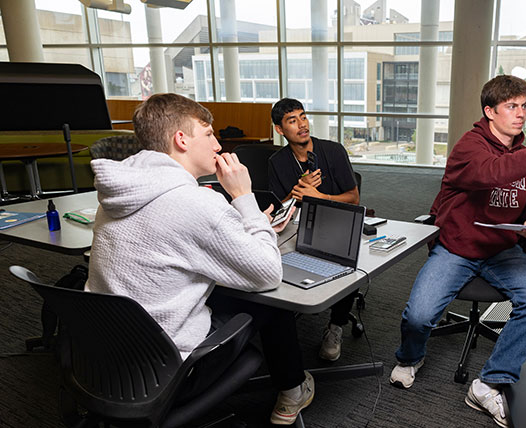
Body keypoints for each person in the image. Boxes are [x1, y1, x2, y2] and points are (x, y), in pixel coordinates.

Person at [86, 93, 313, 426]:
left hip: (105, 360)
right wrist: (244, 198)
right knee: (272, 303)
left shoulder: (119, 192)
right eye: (208, 134)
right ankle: (293, 390)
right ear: (182, 140)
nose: (218, 145)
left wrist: (235, 222)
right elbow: (268, 272)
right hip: (167, 371)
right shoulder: (197, 205)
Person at [389, 75, 526, 427]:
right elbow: (494, 173)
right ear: (490, 112)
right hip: (458, 247)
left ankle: (488, 383)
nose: (521, 114)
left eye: (524, 106)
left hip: (502, 250)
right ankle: (411, 357)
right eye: (511, 107)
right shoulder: (469, 147)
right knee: (419, 316)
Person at [267, 98, 361, 363]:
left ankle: (336, 326)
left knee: (346, 265)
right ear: (280, 129)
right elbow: (278, 207)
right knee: (272, 259)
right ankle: (284, 321)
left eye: (303, 117)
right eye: (292, 120)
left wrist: (318, 196)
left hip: (336, 222)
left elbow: (353, 197)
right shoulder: (278, 161)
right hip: (297, 225)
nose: (302, 124)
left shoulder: (332, 150)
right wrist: (297, 190)